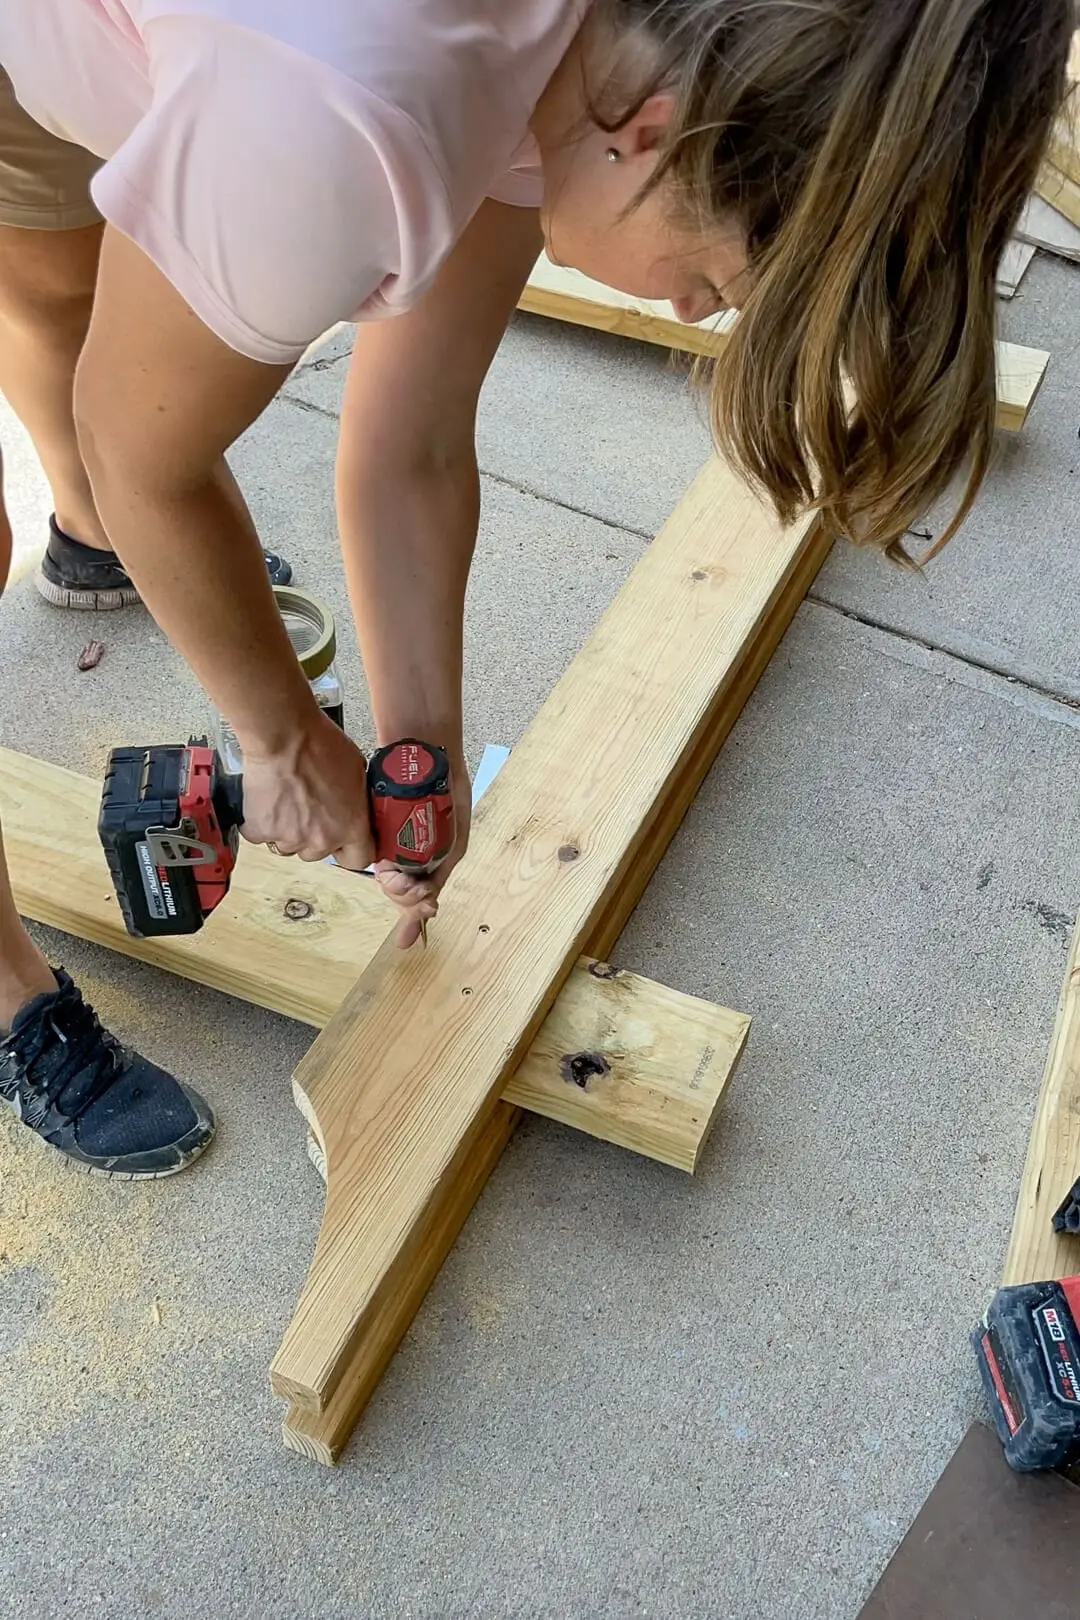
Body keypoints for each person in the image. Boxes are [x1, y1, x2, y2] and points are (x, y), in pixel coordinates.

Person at [0, 0, 1071, 1180]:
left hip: (186, 56)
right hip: (237, 70)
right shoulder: (340, 112)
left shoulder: (575, 73)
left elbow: (411, 447)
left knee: (60, 281)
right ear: (655, 133)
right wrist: (286, 742)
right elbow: (137, 451)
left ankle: (95, 544)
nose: (688, 311)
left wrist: (424, 754)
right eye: (712, 280)